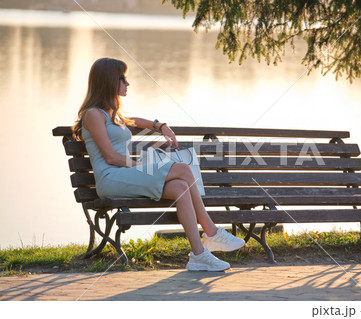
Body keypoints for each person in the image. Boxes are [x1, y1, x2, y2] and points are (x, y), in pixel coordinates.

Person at [73, 57, 244, 271]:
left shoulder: (114, 115)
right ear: (108, 81)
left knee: (181, 187)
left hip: (125, 176)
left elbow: (134, 121)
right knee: (182, 168)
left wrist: (161, 126)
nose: (127, 83)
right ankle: (211, 231)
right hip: (111, 178)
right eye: (122, 79)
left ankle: (198, 255)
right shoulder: (92, 115)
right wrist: (143, 164)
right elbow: (111, 157)